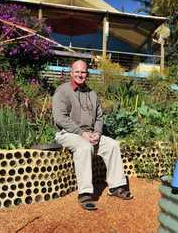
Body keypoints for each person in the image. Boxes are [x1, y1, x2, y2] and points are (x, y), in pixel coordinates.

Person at [52, 60, 133, 210]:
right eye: (77, 71)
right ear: (71, 73)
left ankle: (116, 187)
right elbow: (60, 118)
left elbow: (99, 118)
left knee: (112, 145)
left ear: (87, 74)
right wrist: (82, 133)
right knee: (84, 147)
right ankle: (85, 193)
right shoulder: (62, 91)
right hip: (67, 133)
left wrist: (97, 132)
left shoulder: (92, 93)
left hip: (89, 134)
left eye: (83, 72)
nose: (80, 75)